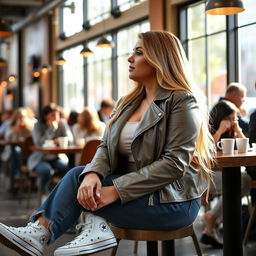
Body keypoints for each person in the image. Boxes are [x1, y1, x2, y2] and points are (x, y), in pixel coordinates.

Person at [0, 31, 215, 256]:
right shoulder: (126, 102)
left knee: (82, 186)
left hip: (172, 200)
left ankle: (91, 224)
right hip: (135, 194)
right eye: (132, 52)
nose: (130, 58)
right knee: (79, 175)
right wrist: (94, 174)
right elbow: (105, 147)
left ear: (159, 59)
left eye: (139, 52)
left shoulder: (182, 100)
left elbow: (174, 164)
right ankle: (47, 232)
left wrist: (115, 191)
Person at [200, 100, 251, 248]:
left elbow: (245, 149)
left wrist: (238, 129)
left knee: (244, 180)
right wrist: (219, 131)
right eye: (228, 119)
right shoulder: (208, 130)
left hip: (224, 173)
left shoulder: (232, 131)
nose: (230, 122)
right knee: (241, 181)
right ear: (220, 118)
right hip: (208, 175)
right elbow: (206, 154)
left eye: (233, 118)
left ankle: (211, 221)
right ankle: (213, 221)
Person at [27, 103, 74, 202]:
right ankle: (44, 193)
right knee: (46, 170)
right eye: (53, 115)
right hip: (40, 158)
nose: (56, 117)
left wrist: (61, 140)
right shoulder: (38, 126)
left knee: (67, 167)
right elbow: (39, 143)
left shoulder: (62, 123)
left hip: (57, 157)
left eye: (57, 114)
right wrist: (51, 129)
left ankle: (59, 192)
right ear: (45, 116)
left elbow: (70, 139)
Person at [1, 107, 35, 194]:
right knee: (16, 152)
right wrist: (15, 130)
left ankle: (20, 179)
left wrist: (28, 128)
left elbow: (34, 140)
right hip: (13, 152)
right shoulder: (11, 126)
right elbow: (7, 139)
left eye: (23, 117)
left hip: (29, 153)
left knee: (26, 156)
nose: (21, 119)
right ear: (16, 118)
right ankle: (18, 177)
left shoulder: (31, 127)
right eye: (19, 117)